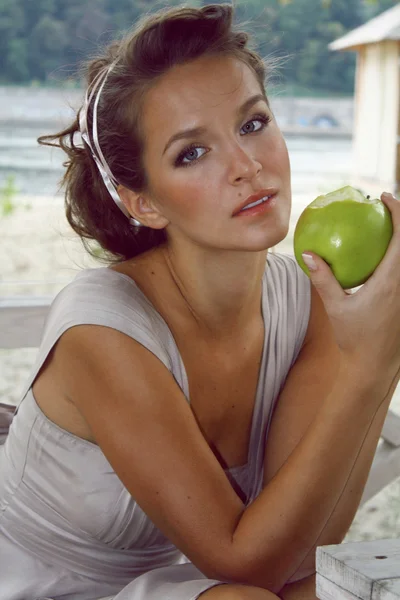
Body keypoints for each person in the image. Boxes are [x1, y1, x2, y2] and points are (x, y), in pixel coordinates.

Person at [1, 3, 400, 600]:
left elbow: (304, 550)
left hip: (195, 582)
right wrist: (373, 365)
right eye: (192, 152)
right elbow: (249, 569)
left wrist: (382, 354)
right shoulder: (103, 330)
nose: (247, 166)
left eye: (253, 123)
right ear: (144, 203)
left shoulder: (310, 298)